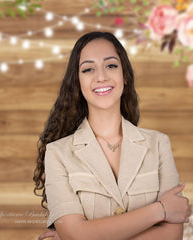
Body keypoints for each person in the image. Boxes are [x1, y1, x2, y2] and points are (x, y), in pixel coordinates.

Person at [33, 31, 191, 240]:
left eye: (111, 65)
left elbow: (172, 236)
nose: (101, 76)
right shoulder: (57, 153)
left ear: (124, 75)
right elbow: (75, 235)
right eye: (88, 69)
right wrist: (160, 210)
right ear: (77, 82)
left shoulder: (158, 144)